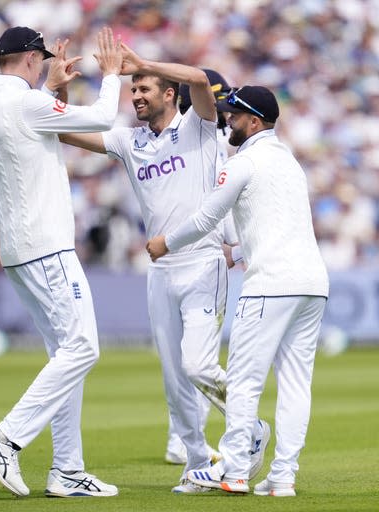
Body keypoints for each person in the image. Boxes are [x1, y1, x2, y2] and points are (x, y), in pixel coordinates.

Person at [60, 49, 269, 493]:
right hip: (160, 272)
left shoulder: (197, 129)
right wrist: (57, 90)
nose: (135, 94)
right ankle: (197, 462)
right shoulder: (129, 141)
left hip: (203, 264)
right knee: (175, 381)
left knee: (197, 365)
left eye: (144, 88)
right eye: (133, 88)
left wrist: (144, 64)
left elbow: (197, 77)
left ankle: (250, 427)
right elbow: (66, 134)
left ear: (168, 94)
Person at [146, 85, 329, 497]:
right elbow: (285, 224)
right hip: (312, 283)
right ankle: (282, 477)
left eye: (234, 114)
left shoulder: (243, 163)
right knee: (297, 383)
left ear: (255, 121)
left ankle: (233, 469)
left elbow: (207, 216)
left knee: (245, 382)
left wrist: (165, 243)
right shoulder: (290, 163)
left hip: (271, 285)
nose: (228, 119)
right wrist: (239, 250)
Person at [0, 26, 122, 498]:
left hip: (18, 249)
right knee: (83, 349)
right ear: (32, 59)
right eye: (41, 58)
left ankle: (67, 470)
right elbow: (100, 117)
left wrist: (52, 87)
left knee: (65, 357)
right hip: (48, 246)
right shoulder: (27, 103)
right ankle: (6, 436)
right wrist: (111, 75)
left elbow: (30, 124)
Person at [164, 69, 233, 466]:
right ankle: (188, 439)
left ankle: (183, 439)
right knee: (200, 356)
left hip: (186, 252)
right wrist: (231, 243)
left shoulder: (195, 140)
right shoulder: (212, 140)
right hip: (203, 253)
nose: (224, 110)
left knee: (186, 358)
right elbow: (216, 202)